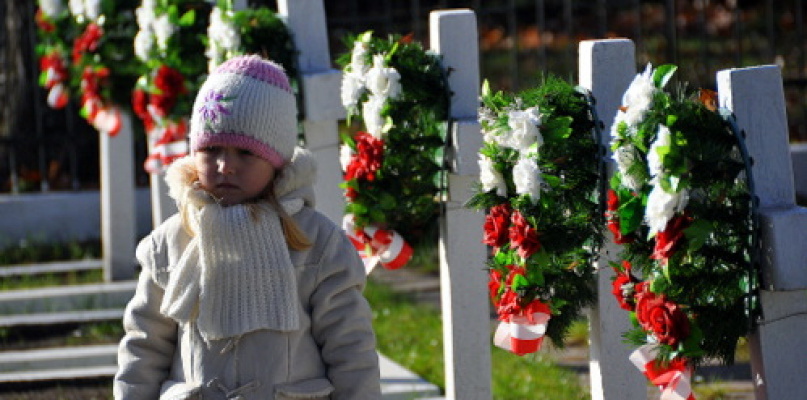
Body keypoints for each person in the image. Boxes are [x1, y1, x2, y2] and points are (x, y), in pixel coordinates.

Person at [114, 55, 381, 400]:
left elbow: (350, 348)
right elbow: (144, 345)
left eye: (245, 152)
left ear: (277, 161)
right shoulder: (170, 243)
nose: (225, 166)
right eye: (211, 150)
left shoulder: (317, 243)